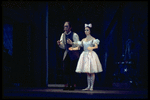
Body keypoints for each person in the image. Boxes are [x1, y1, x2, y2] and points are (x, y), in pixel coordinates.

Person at [68, 23, 103, 91]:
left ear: (90, 31)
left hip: (91, 55)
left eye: (87, 30)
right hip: (85, 55)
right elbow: (79, 46)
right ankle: (88, 86)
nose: (86, 31)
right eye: (85, 30)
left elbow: (96, 46)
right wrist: (72, 46)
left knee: (92, 71)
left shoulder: (93, 39)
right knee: (87, 72)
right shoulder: (83, 40)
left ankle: (92, 86)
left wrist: (91, 47)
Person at [57, 21, 80, 90]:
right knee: (65, 69)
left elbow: (78, 45)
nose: (65, 28)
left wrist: (72, 43)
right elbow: (63, 46)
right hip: (67, 53)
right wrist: (59, 44)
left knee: (72, 70)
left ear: (70, 27)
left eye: (67, 26)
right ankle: (68, 84)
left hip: (73, 54)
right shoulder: (63, 35)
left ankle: (72, 85)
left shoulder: (74, 35)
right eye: (64, 26)